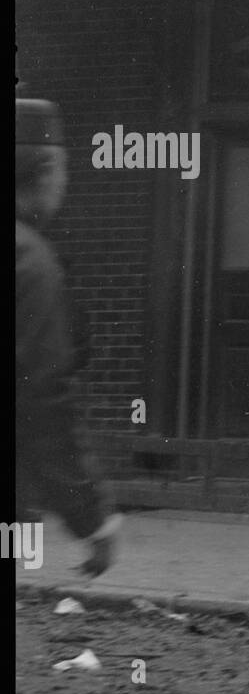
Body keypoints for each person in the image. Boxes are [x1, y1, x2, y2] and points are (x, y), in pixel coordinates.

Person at [15, 95, 122, 576]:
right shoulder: (30, 262)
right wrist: (92, 520)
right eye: (62, 168)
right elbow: (43, 399)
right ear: (44, 169)